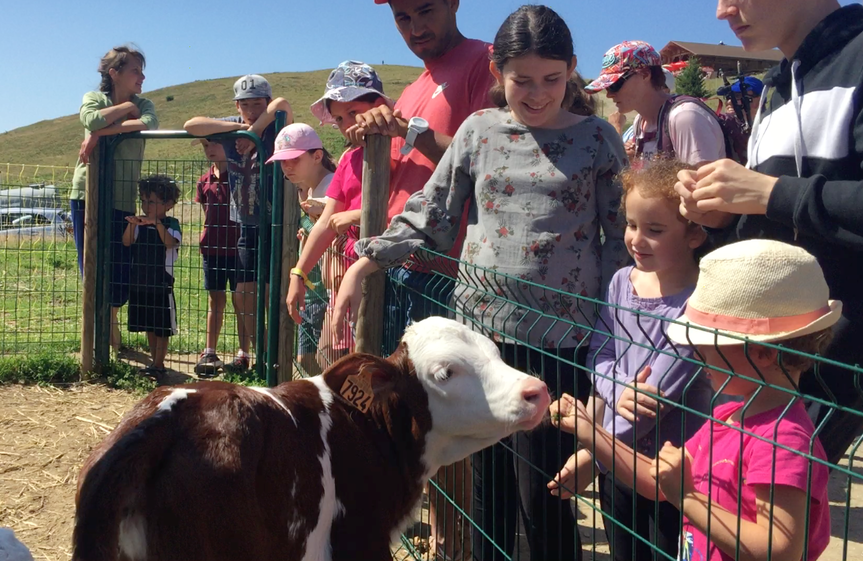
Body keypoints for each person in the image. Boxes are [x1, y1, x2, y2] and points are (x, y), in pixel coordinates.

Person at [334, 7, 630, 560]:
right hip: (484, 343)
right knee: (486, 493)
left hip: (562, 343)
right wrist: (362, 263)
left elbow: (618, 242)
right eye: (522, 80)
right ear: (497, 72)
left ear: (570, 70)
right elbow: (434, 213)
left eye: (552, 79)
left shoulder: (597, 139)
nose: (537, 94)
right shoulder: (479, 132)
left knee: (542, 494)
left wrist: (622, 335)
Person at [551, 239, 835, 561]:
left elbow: (780, 549)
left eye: (705, 343)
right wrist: (590, 431)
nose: (697, 354)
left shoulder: (784, 439)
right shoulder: (728, 416)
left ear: (762, 353)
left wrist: (687, 499)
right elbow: (655, 481)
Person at [676, 0, 863, 465]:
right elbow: (777, 228)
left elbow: (780, 199)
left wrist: (770, 194)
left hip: (840, 367)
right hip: (791, 366)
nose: (723, 11)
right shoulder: (779, 88)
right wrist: (720, 217)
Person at [548, 159, 713, 561]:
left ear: (695, 233)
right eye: (632, 225)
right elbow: (599, 354)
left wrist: (591, 451)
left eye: (655, 230)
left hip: (672, 472)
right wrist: (620, 388)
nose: (637, 240)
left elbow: (654, 400)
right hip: (615, 462)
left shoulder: (700, 304)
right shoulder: (623, 281)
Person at [352, 0, 496, 347]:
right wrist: (368, 136)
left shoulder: (487, 62)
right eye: (403, 18)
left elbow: (489, 158)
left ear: (453, 4)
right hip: (398, 264)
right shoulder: (415, 86)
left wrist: (409, 131)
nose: (415, 29)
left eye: (426, 11)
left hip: (444, 274)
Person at [286, 61, 394, 369]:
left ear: (379, 105)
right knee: (340, 362)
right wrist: (299, 273)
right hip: (346, 279)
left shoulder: (399, 149)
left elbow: (409, 210)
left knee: (376, 365)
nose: (347, 124)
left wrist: (358, 215)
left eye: (355, 113)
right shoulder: (349, 159)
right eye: (338, 118)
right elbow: (325, 222)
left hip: (387, 276)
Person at [184, 75, 293, 372]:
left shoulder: (277, 121)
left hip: (277, 223)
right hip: (246, 224)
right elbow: (191, 126)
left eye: (257, 103)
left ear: (266, 102)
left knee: (273, 294)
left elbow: (283, 103)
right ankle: (263, 359)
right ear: (237, 105)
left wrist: (254, 132)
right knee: (243, 295)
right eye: (245, 104)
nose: (251, 109)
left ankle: (279, 358)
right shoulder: (233, 125)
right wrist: (237, 128)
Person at [71, 45, 158, 351]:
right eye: (135, 70)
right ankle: (99, 340)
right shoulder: (93, 98)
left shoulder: (145, 103)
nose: (142, 76)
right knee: (91, 267)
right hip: (87, 196)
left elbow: (148, 123)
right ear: (114, 73)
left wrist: (99, 133)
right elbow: (91, 117)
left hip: (121, 199)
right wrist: (125, 112)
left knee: (120, 271)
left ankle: (109, 327)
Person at [268, 123, 337, 375]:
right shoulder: (305, 190)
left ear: (317, 155)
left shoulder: (331, 187)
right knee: (308, 358)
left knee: (323, 358)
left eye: (294, 159)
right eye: (282, 161)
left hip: (329, 288)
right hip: (314, 286)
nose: (286, 167)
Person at [587, 42, 725, 167]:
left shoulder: (685, 117)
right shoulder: (640, 122)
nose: (609, 94)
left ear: (645, 74)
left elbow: (701, 188)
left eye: (615, 85)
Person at [121, 175, 182, 378]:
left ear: (168, 204)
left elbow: (171, 243)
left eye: (152, 202)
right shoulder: (140, 224)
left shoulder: (172, 224)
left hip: (161, 283)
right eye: (144, 201)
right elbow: (127, 242)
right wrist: (132, 224)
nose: (147, 206)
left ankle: (159, 363)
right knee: (149, 324)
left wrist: (157, 224)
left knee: (161, 326)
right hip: (140, 281)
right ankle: (154, 363)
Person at [194, 139, 241, 377]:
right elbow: (205, 212)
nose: (209, 150)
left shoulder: (239, 177)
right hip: (211, 249)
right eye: (205, 147)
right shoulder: (203, 180)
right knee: (216, 300)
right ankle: (209, 351)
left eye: (215, 145)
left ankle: (244, 353)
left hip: (238, 250)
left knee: (241, 301)